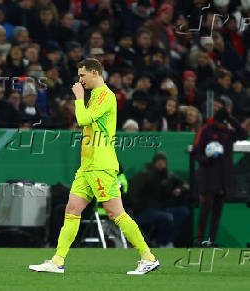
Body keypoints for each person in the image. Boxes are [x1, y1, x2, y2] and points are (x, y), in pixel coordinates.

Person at [29, 58, 159, 275]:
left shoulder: (106, 96)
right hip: (87, 166)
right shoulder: (95, 96)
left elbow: (82, 119)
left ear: (95, 73)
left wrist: (79, 97)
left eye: (82, 75)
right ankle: (57, 261)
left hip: (101, 165)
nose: (80, 80)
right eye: (79, 76)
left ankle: (148, 257)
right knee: (72, 210)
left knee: (115, 213)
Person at [192, 102, 249, 246]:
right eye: (223, 123)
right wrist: (207, 159)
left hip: (224, 179)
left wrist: (231, 118)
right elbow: (195, 152)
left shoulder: (228, 132)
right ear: (216, 122)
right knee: (206, 210)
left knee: (217, 212)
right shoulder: (205, 130)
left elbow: (244, 134)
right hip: (208, 178)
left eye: (226, 124)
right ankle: (199, 241)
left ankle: (211, 241)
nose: (225, 126)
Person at [129, 152, 190, 248]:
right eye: (159, 161)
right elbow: (133, 194)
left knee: (183, 212)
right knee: (166, 217)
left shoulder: (168, 176)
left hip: (161, 209)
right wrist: (138, 207)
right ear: (154, 163)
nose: (161, 164)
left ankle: (167, 241)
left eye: (163, 162)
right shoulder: (144, 175)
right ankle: (160, 243)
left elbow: (185, 185)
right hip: (144, 210)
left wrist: (180, 189)